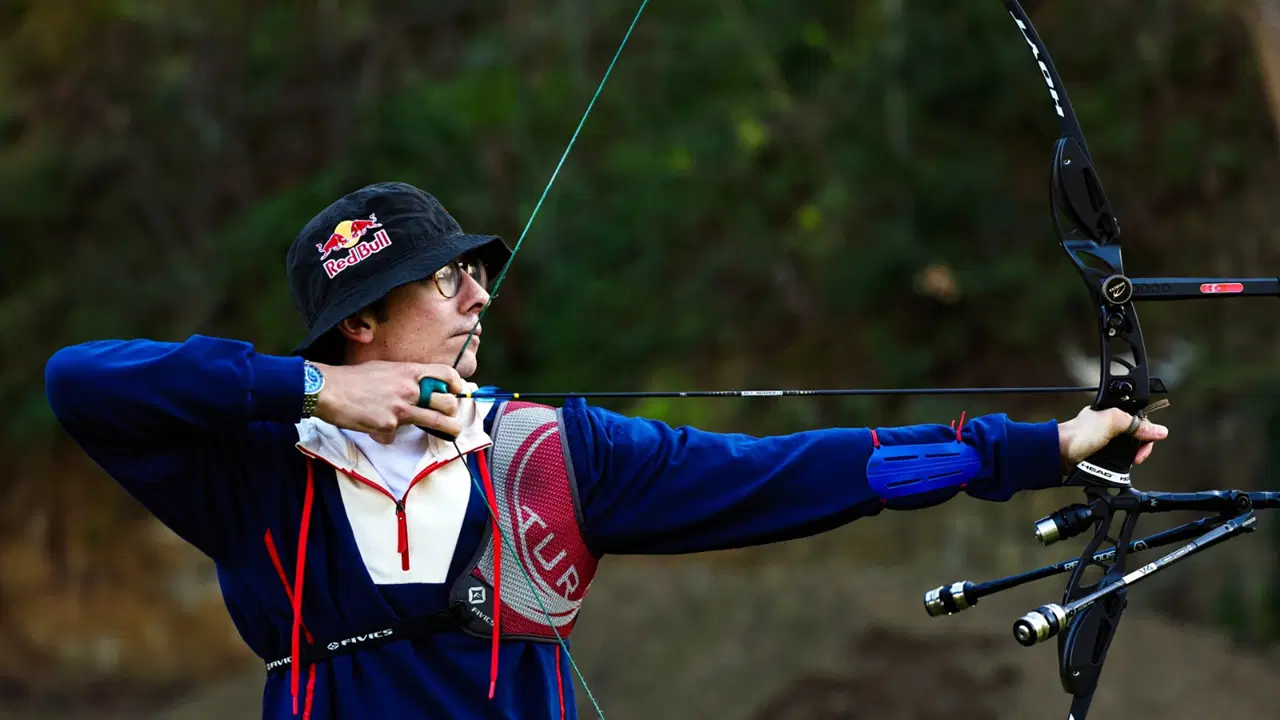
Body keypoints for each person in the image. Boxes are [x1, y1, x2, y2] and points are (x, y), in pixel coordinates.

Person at [44, 182, 1168, 719]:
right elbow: (80, 381)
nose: (480, 295)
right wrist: (312, 390)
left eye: (477, 274)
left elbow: (793, 472)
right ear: (363, 323)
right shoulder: (256, 466)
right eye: (446, 279)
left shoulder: (550, 453)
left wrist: (1040, 445)